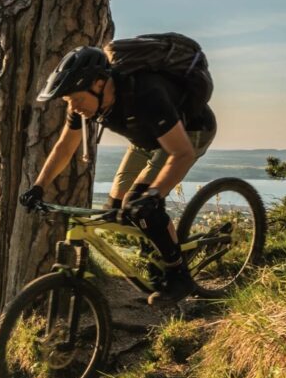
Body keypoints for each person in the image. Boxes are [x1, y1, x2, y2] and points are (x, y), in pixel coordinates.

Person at [18, 45, 217, 305]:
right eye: (69, 102)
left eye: (77, 99)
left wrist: (154, 195)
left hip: (187, 135)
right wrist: (39, 186)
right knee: (115, 209)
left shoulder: (146, 94)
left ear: (100, 84)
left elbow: (182, 154)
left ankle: (178, 274)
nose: (74, 107)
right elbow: (65, 147)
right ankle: (155, 256)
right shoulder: (83, 102)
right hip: (146, 139)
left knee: (142, 204)